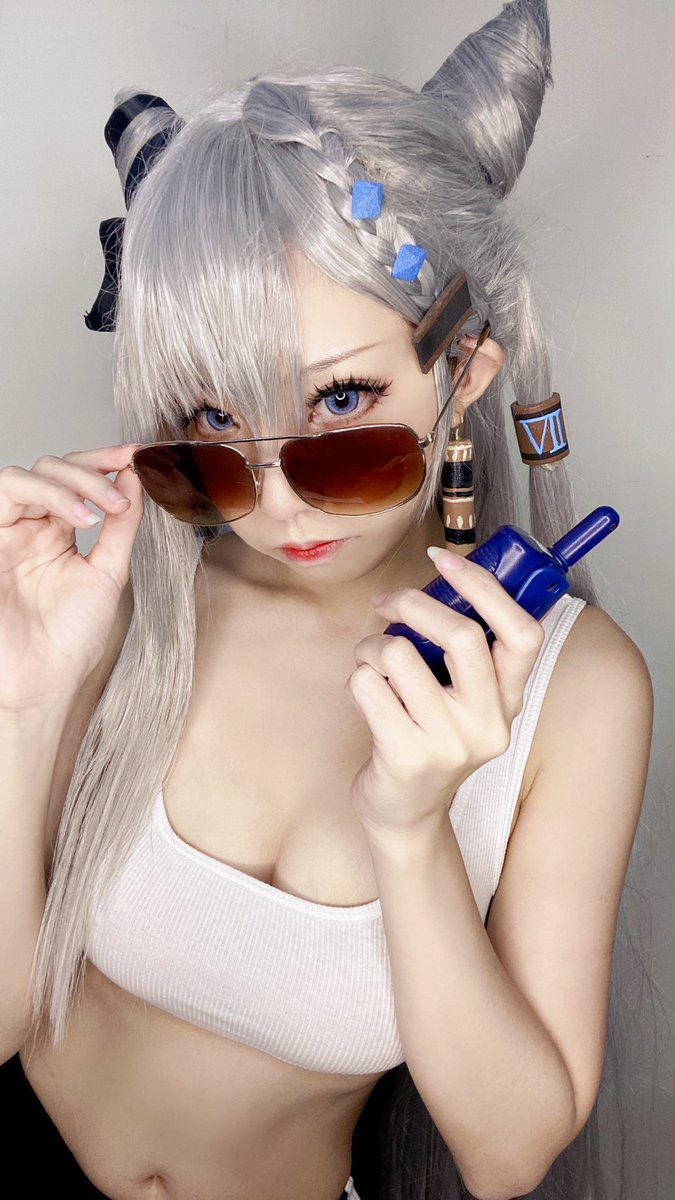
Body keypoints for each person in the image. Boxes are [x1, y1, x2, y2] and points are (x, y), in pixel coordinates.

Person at [0, 2, 654, 1198]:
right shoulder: (120, 592)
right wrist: (25, 710)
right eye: (212, 420)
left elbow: (507, 1155)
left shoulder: (576, 689)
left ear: (463, 374)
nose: (282, 500)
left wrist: (410, 828)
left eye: (342, 407)